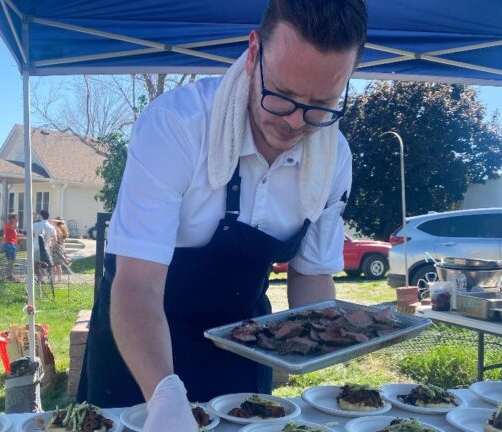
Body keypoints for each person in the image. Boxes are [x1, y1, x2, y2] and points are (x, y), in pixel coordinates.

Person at [77, 1, 366, 430]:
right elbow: (136, 283)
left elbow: (311, 276)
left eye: (320, 105)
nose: (294, 122)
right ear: (253, 54)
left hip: (241, 351)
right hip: (140, 344)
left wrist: (337, 333)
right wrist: (165, 395)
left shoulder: (333, 156)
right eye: (282, 96)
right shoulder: (176, 125)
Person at [33, 210, 57, 283]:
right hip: (46, 248)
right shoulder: (51, 227)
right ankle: (51, 279)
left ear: (41, 216)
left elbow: (31, 234)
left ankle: (40, 278)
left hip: (37, 247)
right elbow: (55, 239)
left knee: (36, 265)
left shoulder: (36, 225)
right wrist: (51, 246)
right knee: (48, 264)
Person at [2, 213, 19, 281]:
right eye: (15, 218)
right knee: (11, 261)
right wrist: (16, 222)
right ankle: (9, 276)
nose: (17, 219)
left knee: (11, 261)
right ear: (11, 219)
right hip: (9, 245)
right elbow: (15, 227)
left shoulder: (10, 225)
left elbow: (13, 234)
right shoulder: (8, 224)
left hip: (10, 244)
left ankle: (10, 275)